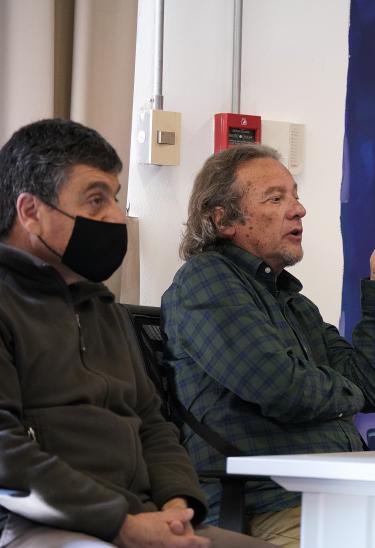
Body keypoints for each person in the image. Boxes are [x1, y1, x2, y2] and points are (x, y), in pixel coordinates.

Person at [0, 119, 271, 548]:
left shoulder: (104, 310)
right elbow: (5, 457)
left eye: (115, 197)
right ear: (31, 212)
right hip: (34, 524)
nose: (114, 216)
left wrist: (177, 506)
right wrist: (121, 525)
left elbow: (152, 423)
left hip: (138, 514)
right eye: (95, 200)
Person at [162, 144, 375, 546]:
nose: (298, 210)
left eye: (295, 195)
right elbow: (280, 387)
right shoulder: (206, 279)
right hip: (271, 504)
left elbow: (372, 387)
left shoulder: (291, 300)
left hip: (338, 496)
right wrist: (346, 394)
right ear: (223, 220)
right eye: (276, 198)